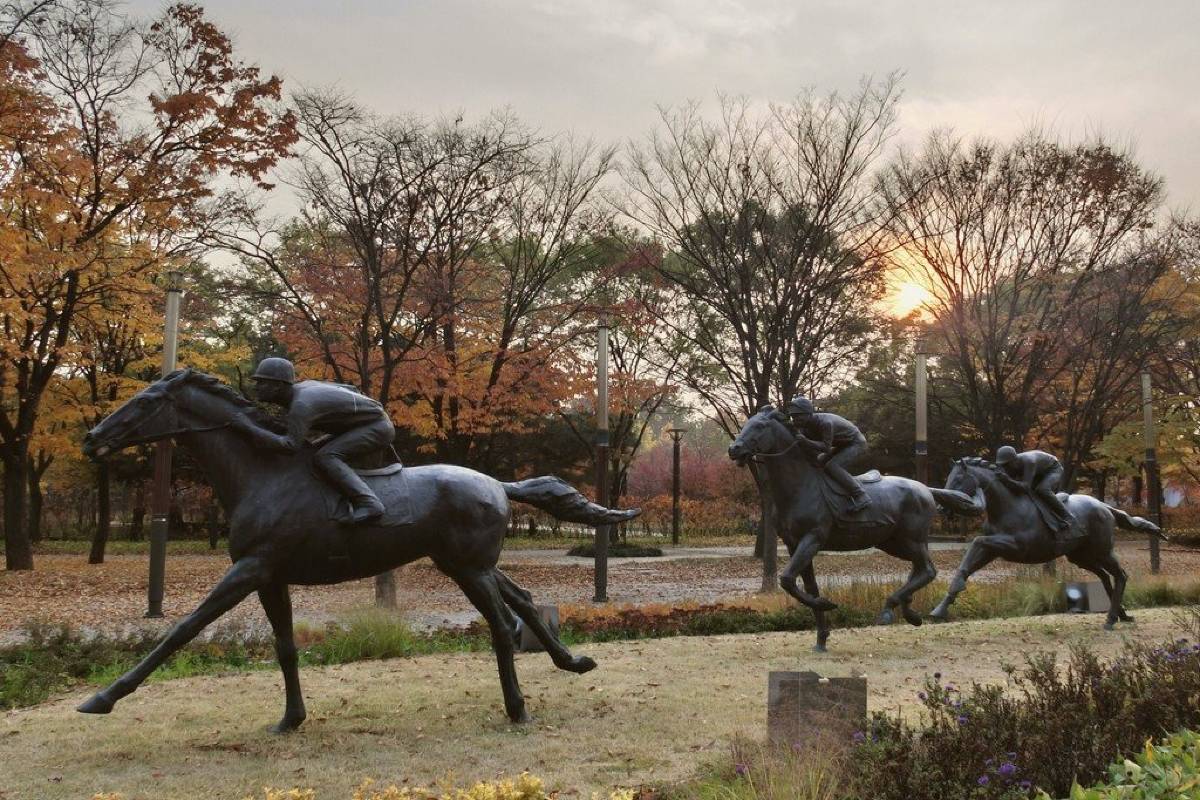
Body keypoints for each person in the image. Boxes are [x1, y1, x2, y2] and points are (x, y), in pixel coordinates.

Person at [231, 357, 395, 524]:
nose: (256, 387)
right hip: (361, 426)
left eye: (262, 382)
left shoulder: (301, 405)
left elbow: (290, 446)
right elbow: (349, 389)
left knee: (325, 457)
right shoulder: (302, 391)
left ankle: (370, 503)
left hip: (377, 427)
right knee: (310, 452)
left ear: (278, 386)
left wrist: (249, 428)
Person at [785, 396, 871, 512]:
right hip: (842, 445)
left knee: (832, 466)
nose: (795, 420)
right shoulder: (805, 427)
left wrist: (806, 441)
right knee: (819, 462)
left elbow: (825, 448)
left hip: (856, 443)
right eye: (793, 416)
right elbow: (808, 449)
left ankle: (860, 495)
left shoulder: (825, 423)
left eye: (798, 416)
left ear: (808, 414)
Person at [995, 445, 1073, 535]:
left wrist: (1007, 480)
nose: (1005, 468)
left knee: (1042, 489)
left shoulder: (1029, 461)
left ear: (1014, 461)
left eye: (1006, 465)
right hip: (1037, 473)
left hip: (1053, 469)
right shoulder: (1012, 466)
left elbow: (1025, 487)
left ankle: (1066, 516)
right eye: (1003, 465)